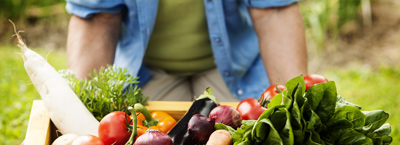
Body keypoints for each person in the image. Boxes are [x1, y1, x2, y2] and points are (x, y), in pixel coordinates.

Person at [65, 0, 308, 102]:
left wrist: (296, 106)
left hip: (236, 68)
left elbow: (272, 12)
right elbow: (98, 18)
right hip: (146, 71)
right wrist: (79, 112)